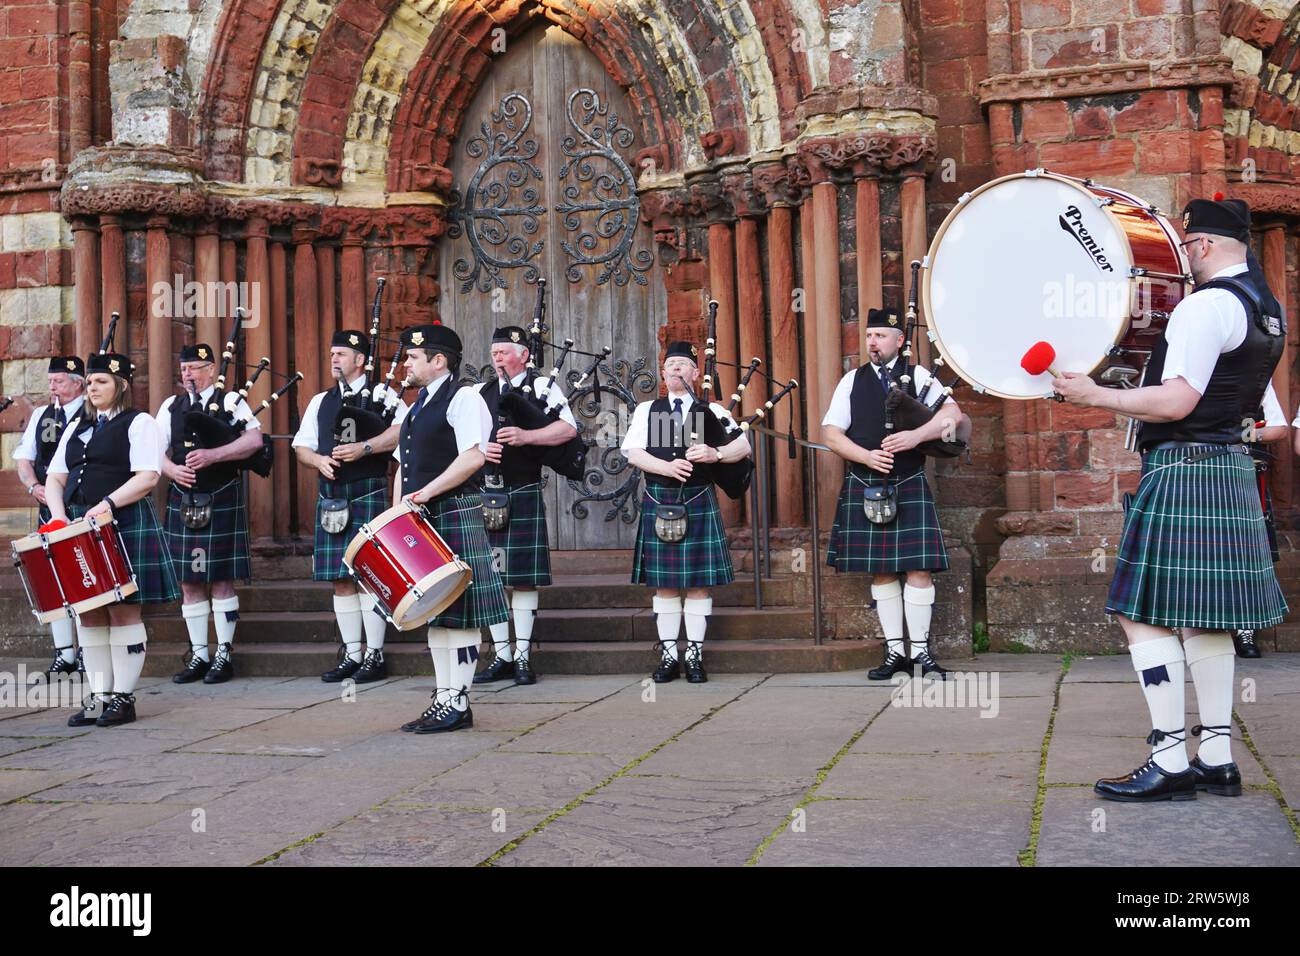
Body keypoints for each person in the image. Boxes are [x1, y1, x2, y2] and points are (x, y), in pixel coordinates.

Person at [1054, 196, 1287, 802]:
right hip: (1230, 468)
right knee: (1210, 620)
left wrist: (1092, 395)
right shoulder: (1267, 310)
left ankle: (1168, 757)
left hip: (1186, 467)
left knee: (1142, 612)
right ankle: (1215, 755)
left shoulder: (1206, 306)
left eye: (1187, 246)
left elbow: (1177, 401)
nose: (1184, 255)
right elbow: (1257, 411)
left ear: (1204, 245)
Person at [822, 307, 963, 681]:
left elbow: (955, 416)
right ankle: (895, 652)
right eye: (869, 335)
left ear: (900, 340)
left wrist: (918, 436)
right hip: (866, 483)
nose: (872, 342)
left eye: (881, 335)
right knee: (881, 570)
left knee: (919, 568)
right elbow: (832, 434)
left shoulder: (918, 376)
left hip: (909, 480)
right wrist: (865, 455)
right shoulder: (852, 381)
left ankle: (921, 653)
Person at [44, 348, 180, 727]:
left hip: (122, 522)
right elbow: (56, 478)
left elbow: (148, 476)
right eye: (89, 382)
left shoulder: (139, 423)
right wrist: (58, 517)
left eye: (101, 381)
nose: (92, 388)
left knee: (122, 609)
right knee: (87, 612)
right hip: (77, 526)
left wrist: (107, 503)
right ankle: (100, 696)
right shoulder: (77, 426)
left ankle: (124, 697)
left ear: (121, 386)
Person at [394, 323, 509, 733]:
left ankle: (458, 703)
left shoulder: (464, 398)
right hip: (423, 519)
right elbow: (401, 467)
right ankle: (444, 696)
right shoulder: (416, 406)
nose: (406, 362)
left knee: (459, 613)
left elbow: (473, 458)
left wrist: (426, 493)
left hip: (453, 511)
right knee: (435, 611)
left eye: (413, 356)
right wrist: (396, 515)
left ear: (438, 360)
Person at [620, 340, 751, 684]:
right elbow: (632, 452)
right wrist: (666, 467)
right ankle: (667, 657)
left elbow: (742, 445)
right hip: (661, 499)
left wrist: (716, 454)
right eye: (670, 364)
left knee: (697, 585)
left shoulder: (712, 411)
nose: (676, 368)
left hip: (697, 499)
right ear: (663, 373)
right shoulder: (650, 410)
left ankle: (693, 655)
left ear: (695, 372)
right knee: (664, 586)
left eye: (682, 364)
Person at [292, 330, 405, 683]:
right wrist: (318, 462)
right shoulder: (320, 401)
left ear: (360, 360)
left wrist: (366, 448)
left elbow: (404, 430)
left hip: (368, 490)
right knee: (340, 579)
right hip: (332, 496)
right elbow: (302, 446)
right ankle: (352, 655)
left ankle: (375, 656)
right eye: (331, 354)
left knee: (369, 576)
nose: (334, 359)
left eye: (341, 353)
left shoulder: (383, 396)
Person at [473, 325, 579, 687]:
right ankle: (501, 654)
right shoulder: (479, 392)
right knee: (491, 577)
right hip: (485, 491)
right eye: (494, 351)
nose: (497, 356)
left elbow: (568, 429)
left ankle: (521, 658)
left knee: (521, 579)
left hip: (522, 489)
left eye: (504, 351)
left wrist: (525, 436)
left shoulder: (541, 389)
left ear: (524, 355)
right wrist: (478, 449)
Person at [158, 344, 263, 684]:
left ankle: (223, 656)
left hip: (220, 496)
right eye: (184, 368)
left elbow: (254, 441)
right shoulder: (170, 407)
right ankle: (199, 656)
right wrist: (172, 471)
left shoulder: (232, 402)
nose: (188, 374)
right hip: (183, 498)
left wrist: (214, 456)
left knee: (220, 578)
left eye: (195, 368)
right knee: (189, 581)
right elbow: (152, 452)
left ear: (211, 370)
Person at [14, 356, 88, 681]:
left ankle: (88, 651)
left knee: (87, 578)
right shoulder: (42, 416)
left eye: (58, 381)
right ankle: (65, 655)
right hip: (49, 505)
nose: (52, 387)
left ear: (78, 382)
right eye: (50, 381)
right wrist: (34, 487)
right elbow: (23, 459)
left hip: (85, 505)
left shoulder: (92, 414)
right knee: (55, 578)